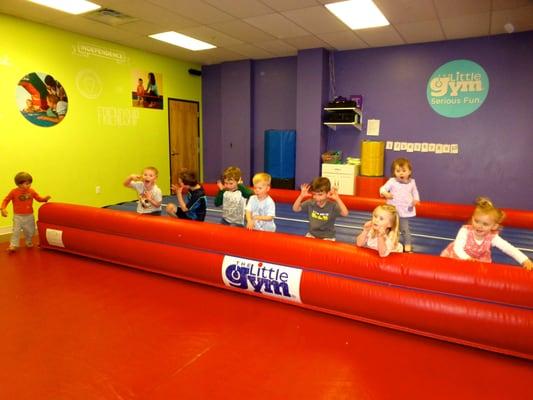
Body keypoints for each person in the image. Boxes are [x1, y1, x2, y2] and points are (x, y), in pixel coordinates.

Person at [441, 197, 533, 270]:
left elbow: (508, 248)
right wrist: (467, 259)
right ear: (472, 218)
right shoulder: (465, 231)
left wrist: (524, 260)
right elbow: (458, 247)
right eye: (476, 221)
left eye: (485, 224)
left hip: (479, 260)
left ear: (494, 226)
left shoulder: (492, 237)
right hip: (460, 256)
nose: (479, 226)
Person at [1, 172, 51, 252]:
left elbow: (38, 198)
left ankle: (28, 241)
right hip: (18, 216)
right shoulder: (14, 192)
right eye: (26, 184)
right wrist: (3, 208)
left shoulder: (31, 191)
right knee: (16, 231)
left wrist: (44, 199)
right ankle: (13, 245)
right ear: (19, 184)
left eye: (29, 183)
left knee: (30, 230)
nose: (28, 185)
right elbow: (6, 200)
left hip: (29, 215)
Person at [379, 157, 420, 252]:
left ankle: (407, 247)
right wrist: (385, 193)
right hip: (392, 211)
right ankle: (388, 243)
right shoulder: (392, 181)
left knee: (405, 229)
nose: (401, 173)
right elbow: (382, 188)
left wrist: (416, 200)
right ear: (394, 172)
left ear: (409, 172)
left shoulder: (412, 182)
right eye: (398, 171)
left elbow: (415, 192)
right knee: (389, 228)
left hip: (404, 211)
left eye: (404, 170)